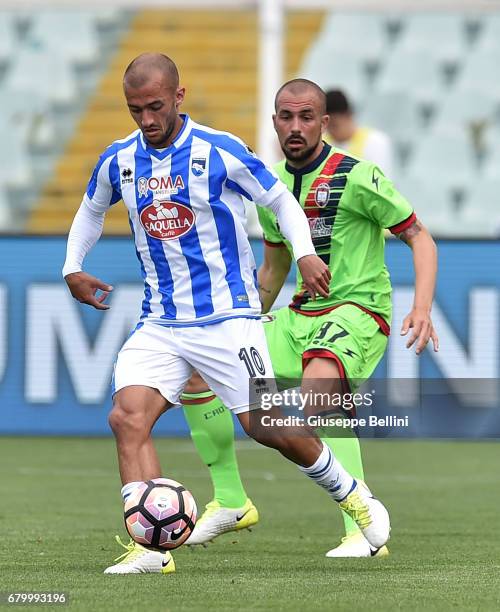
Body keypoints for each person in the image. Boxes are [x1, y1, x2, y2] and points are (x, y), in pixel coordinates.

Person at [62, 56, 391, 574]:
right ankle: (151, 549)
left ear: (179, 96)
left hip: (230, 322)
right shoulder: (119, 159)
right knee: (127, 418)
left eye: (154, 107)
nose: (146, 119)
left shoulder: (220, 150)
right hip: (161, 324)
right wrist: (71, 267)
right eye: (135, 109)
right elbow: (90, 209)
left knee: (268, 426)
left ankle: (354, 497)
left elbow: (281, 201)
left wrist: (304, 252)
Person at [182, 78, 438, 558]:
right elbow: (274, 269)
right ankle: (232, 502)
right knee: (199, 377)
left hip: (357, 312)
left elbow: (419, 236)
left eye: (306, 118)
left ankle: (361, 532)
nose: (295, 127)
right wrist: (236, 324)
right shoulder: (272, 185)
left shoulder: (359, 175)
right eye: (286, 117)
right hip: (300, 316)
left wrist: (421, 307)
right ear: (274, 121)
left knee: (320, 392)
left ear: (324, 123)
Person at [324, 88, 394, 179]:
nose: (330, 131)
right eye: (326, 126)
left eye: (334, 125)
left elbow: (379, 186)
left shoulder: (375, 142)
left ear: (349, 115)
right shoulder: (320, 144)